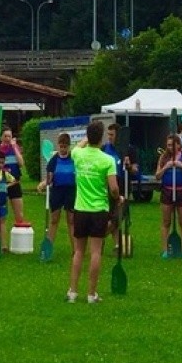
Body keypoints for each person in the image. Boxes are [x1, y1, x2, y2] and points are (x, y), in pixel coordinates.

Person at [67, 120, 119, 304]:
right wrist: (118, 197)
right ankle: (91, 294)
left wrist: (84, 139)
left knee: (78, 252)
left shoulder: (78, 155)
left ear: (88, 136)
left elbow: (77, 147)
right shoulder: (108, 160)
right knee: (96, 252)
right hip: (99, 210)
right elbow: (113, 188)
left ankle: (72, 292)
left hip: (80, 208)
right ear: (102, 137)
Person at [155, 134, 182, 258]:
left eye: (172, 145)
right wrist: (166, 167)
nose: (170, 147)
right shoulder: (163, 157)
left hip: (181, 191)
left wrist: (181, 166)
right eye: (168, 145)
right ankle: (165, 250)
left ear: (178, 145)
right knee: (166, 222)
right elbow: (157, 176)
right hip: (167, 191)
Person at [37, 132, 76, 254]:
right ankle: (48, 248)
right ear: (58, 146)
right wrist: (44, 184)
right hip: (57, 191)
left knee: (71, 220)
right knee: (54, 219)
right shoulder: (54, 160)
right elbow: (49, 178)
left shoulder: (74, 158)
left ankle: (75, 250)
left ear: (69, 146)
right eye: (61, 146)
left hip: (70, 191)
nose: (63, 149)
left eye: (65, 146)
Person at [0, 128, 26, 224]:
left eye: (9, 136)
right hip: (1, 185)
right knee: (1, 217)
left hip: (14, 184)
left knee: (19, 215)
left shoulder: (15, 148)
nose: (7, 138)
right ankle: (1, 236)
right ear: (1, 137)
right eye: (5, 136)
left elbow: (21, 163)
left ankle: (19, 235)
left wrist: (14, 148)